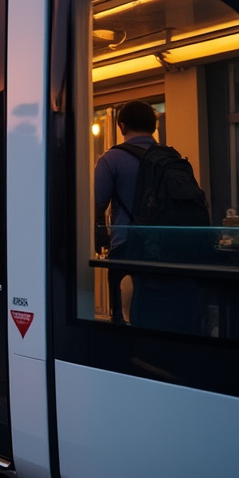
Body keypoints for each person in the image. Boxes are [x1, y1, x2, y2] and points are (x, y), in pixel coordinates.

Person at [94, 100, 157, 326]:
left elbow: (96, 204)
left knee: (120, 312)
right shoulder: (170, 158)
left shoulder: (111, 159)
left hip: (126, 244)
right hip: (164, 245)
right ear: (153, 126)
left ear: (122, 126)